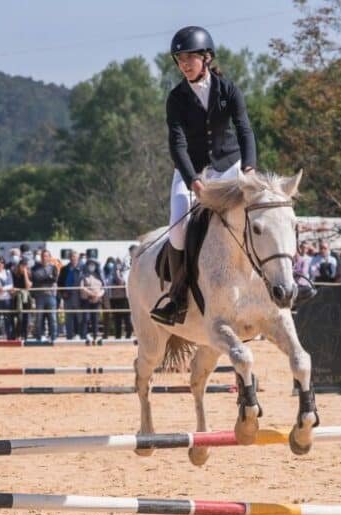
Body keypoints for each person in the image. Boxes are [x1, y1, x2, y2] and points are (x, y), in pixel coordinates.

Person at [151, 25, 258, 326]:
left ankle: (279, 282)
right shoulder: (176, 98)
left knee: (260, 214)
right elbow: (177, 143)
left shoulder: (228, 90)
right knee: (178, 229)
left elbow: (244, 129)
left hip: (229, 168)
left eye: (189, 58)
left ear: (206, 57)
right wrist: (192, 180)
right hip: (192, 172)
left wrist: (249, 168)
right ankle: (178, 295)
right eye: (179, 59)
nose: (184, 64)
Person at [31, 249, 59, 341]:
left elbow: (54, 279)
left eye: (46, 256)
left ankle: (53, 336)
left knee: (53, 317)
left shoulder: (53, 268)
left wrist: (43, 278)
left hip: (51, 296)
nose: (44, 258)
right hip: (39, 296)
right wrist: (47, 278)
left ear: (50, 257)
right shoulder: (35, 268)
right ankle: (39, 336)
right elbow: (35, 278)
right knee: (39, 318)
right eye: (43, 256)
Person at [79, 259, 105, 339]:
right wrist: (91, 294)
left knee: (95, 319)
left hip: (97, 300)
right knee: (85, 318)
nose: (91, 266)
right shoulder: (83, 275)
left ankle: (95, 336)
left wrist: (98, 295)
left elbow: (103, 288)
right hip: (86, 300)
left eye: (93, 265)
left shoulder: (99, 276)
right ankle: (84, 336)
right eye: (90, 264)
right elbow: (81, 287)